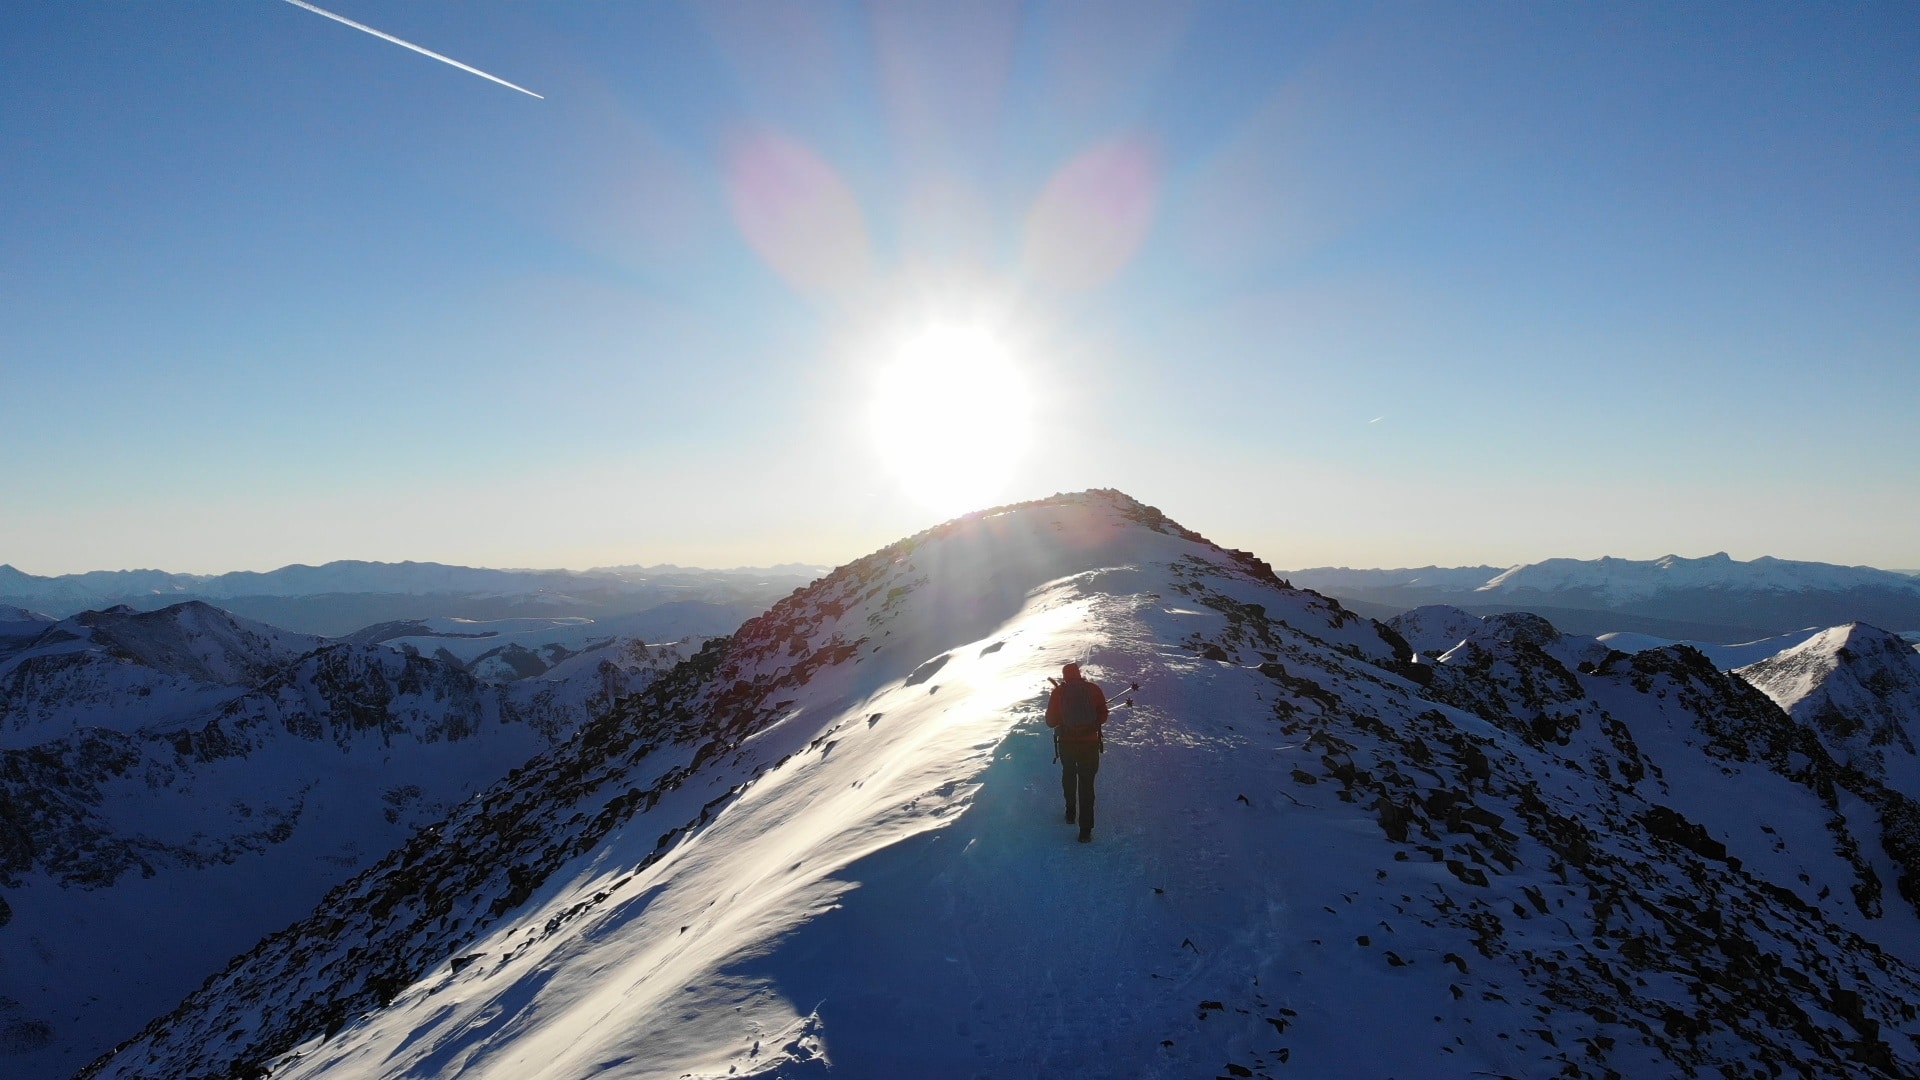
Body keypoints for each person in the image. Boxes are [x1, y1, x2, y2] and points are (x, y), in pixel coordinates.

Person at [1046, 662, 1109, 843]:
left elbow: (1050, 721)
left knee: (1069, 775)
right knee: (1087, 784)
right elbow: (1103, 715)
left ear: (1065, 676)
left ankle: (1070, 812)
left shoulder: (1059, 692)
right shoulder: (1093, 689)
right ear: (1079, 674)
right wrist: (1091, 723)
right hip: (1089, 744)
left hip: (1067, 744)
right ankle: (1085, 830)